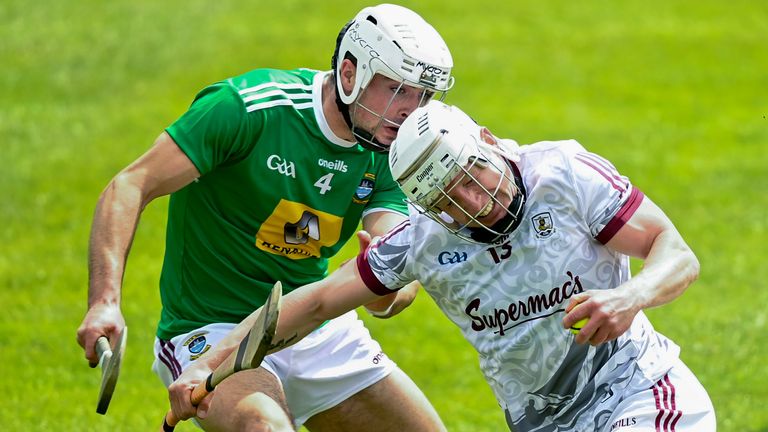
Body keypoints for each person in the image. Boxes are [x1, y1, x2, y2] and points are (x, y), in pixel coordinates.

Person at [168, 101, 717, 431]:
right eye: (448, 199)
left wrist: (632, 295)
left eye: (474, 176)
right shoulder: (421, 241)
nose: (473, 203)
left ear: (485, 139)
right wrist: (206, 366)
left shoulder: (566, 175)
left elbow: (676, 251)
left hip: (639, 391)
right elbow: (314, 303)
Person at [76, 4, 455, 431]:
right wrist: (104, 301)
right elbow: (130, 185)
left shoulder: (392, 150)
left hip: (315, 325)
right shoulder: (248, 108)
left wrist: (385, 293)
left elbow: (396, 258)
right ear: (350, 74)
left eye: (422, 95)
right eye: (397, 89)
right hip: (210, 328)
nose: (410, 110)